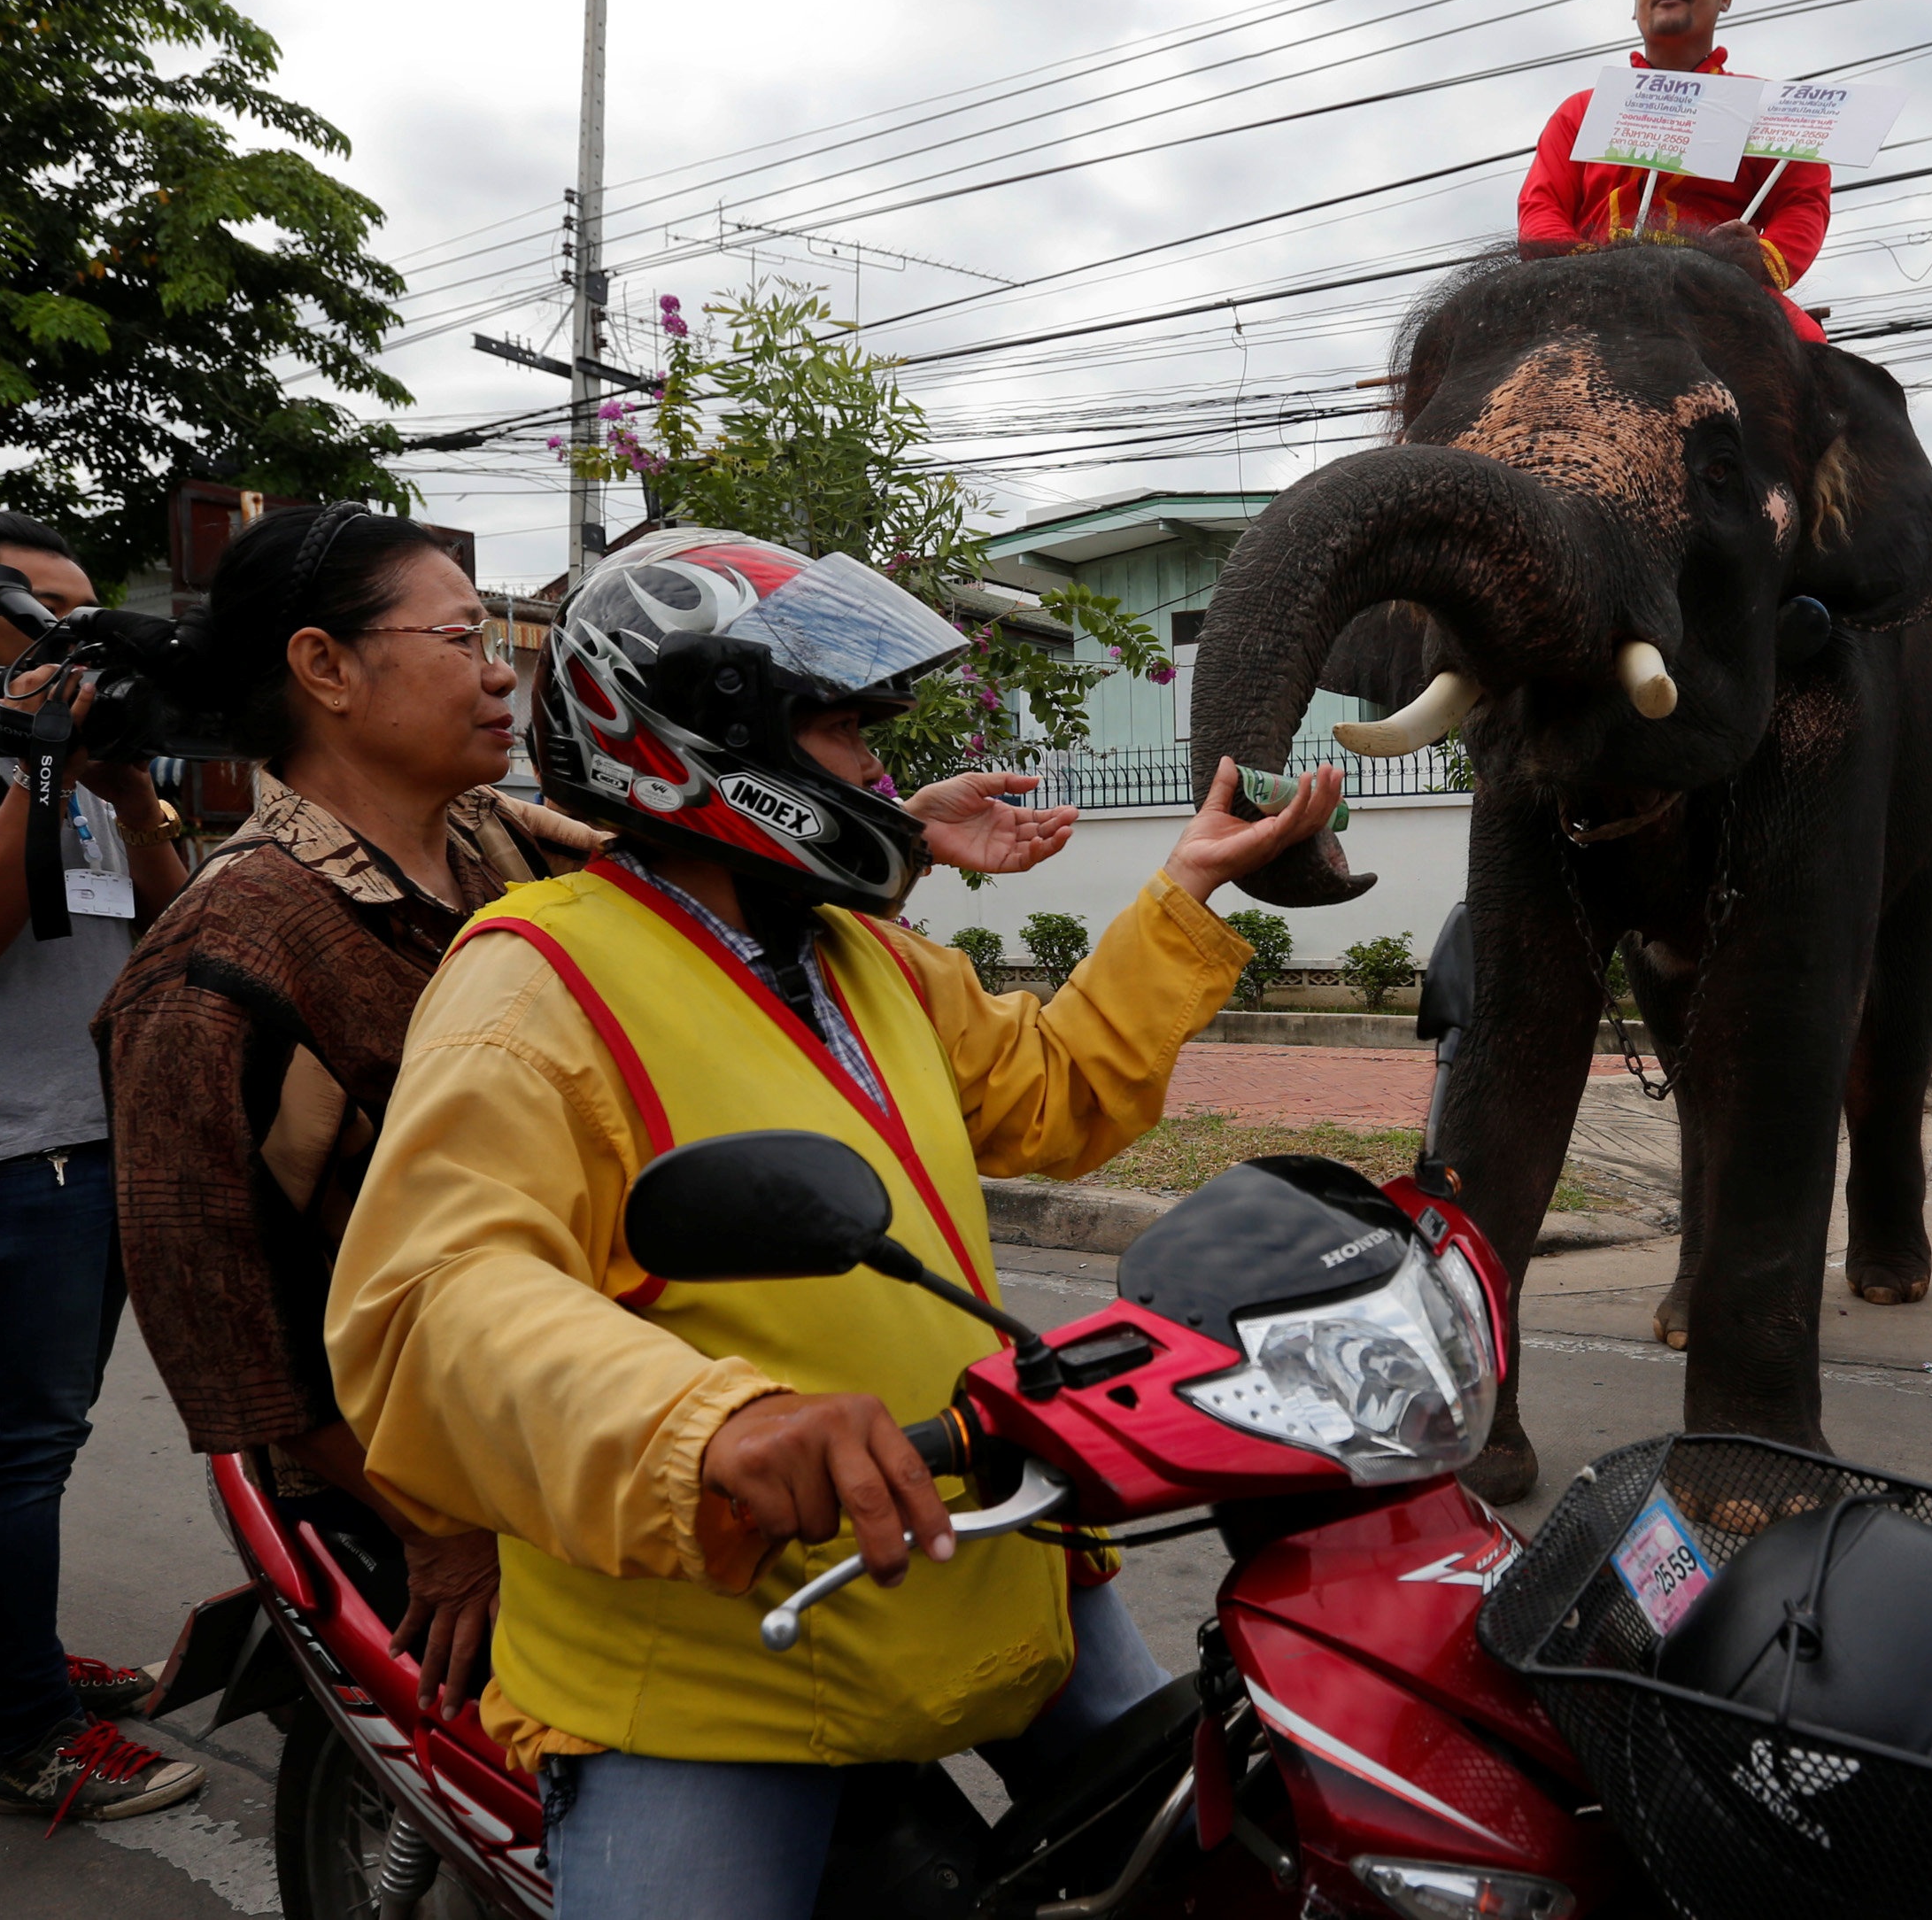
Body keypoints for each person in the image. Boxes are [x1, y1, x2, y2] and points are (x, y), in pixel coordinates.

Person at [325, 531, 1341, 1920]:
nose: (873, 770)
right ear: (709, 742)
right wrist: (713, 1428)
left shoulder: (866, 956)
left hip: (987, 1556)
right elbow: (438, 1300)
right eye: (846, 730)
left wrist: (1184, 894)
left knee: (1236, 1870)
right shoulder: (534, 981)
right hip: (722, 1655)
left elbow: (1051, 1092)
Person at [98, 504, 599, 1724]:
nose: (501, 674)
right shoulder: (218, 964)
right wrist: (435, 1530)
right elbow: (223, 1336)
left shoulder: (495, 844)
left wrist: (896, 832)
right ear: (324, 666)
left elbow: (694, 887)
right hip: (406, 1501)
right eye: (462, 638)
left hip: (579, 1423)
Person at [0, 503, 199, 1822]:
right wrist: (38, 771)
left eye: (86, 615)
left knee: (52, 1429)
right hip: (0, 1145)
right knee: (22, 1443)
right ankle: (23, 1729)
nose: (74, 638)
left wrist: (130, 793)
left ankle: (20, 1663)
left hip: (100, 1134)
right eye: (44, 613)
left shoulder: (93, 758)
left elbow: (176, 921)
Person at [1516, 0, 1833, 341]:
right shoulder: (1580, 111)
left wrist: (1760, 259)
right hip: (1585, 289)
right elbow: (1541, 208)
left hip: (1725, 293)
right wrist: (1584, 266)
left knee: (1812, 346)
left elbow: (1802, 201)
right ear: (1635, 2)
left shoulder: (1768, 108)